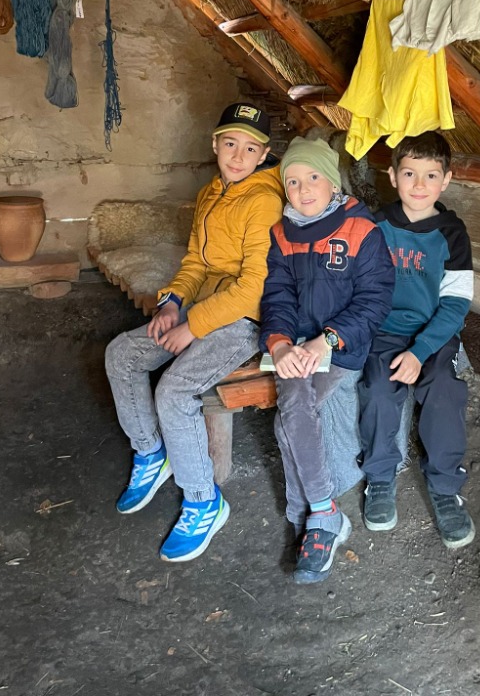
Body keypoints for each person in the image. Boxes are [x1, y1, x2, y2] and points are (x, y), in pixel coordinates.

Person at [105, 103, 283, 562]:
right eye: (230, 144)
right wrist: (171, 302)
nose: (238, 156)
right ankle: (151, 453)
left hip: (244, 320)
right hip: (201, 306)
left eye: (250, 149)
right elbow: (196, 263)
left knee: (175, 391)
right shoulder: (211, 193)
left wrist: (193, 326)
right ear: (215, 145)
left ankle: (204, 501)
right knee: (121, 354)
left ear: (264, 154)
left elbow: (253, 288)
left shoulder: (264, 201)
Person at [259, 137, 395, 584]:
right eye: (293, 182)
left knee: (290, 417)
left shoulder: (361, 231)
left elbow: (375, 300)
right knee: (293, 404)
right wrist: (279, 343)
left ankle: (309, 513)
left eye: (312, 177)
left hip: (341, 346)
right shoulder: (283, 235)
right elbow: (277, 295)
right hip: (297, 346)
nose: (302, 189)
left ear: (333, 183)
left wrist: (328, 340)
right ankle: (323, 513)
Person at [358, 130, 475, 549]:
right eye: (409, 173)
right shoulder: (376, 226)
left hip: (435, 333)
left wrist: (421, 351)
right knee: (377, 389)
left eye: (431, 175)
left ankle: (445, 488)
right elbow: (363, 289)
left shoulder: (452, 234)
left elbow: (456, 304)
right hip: (385, 331)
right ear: (393, 176)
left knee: (442, 389)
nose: (419, 185)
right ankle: (379, 478)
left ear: (446, 180)